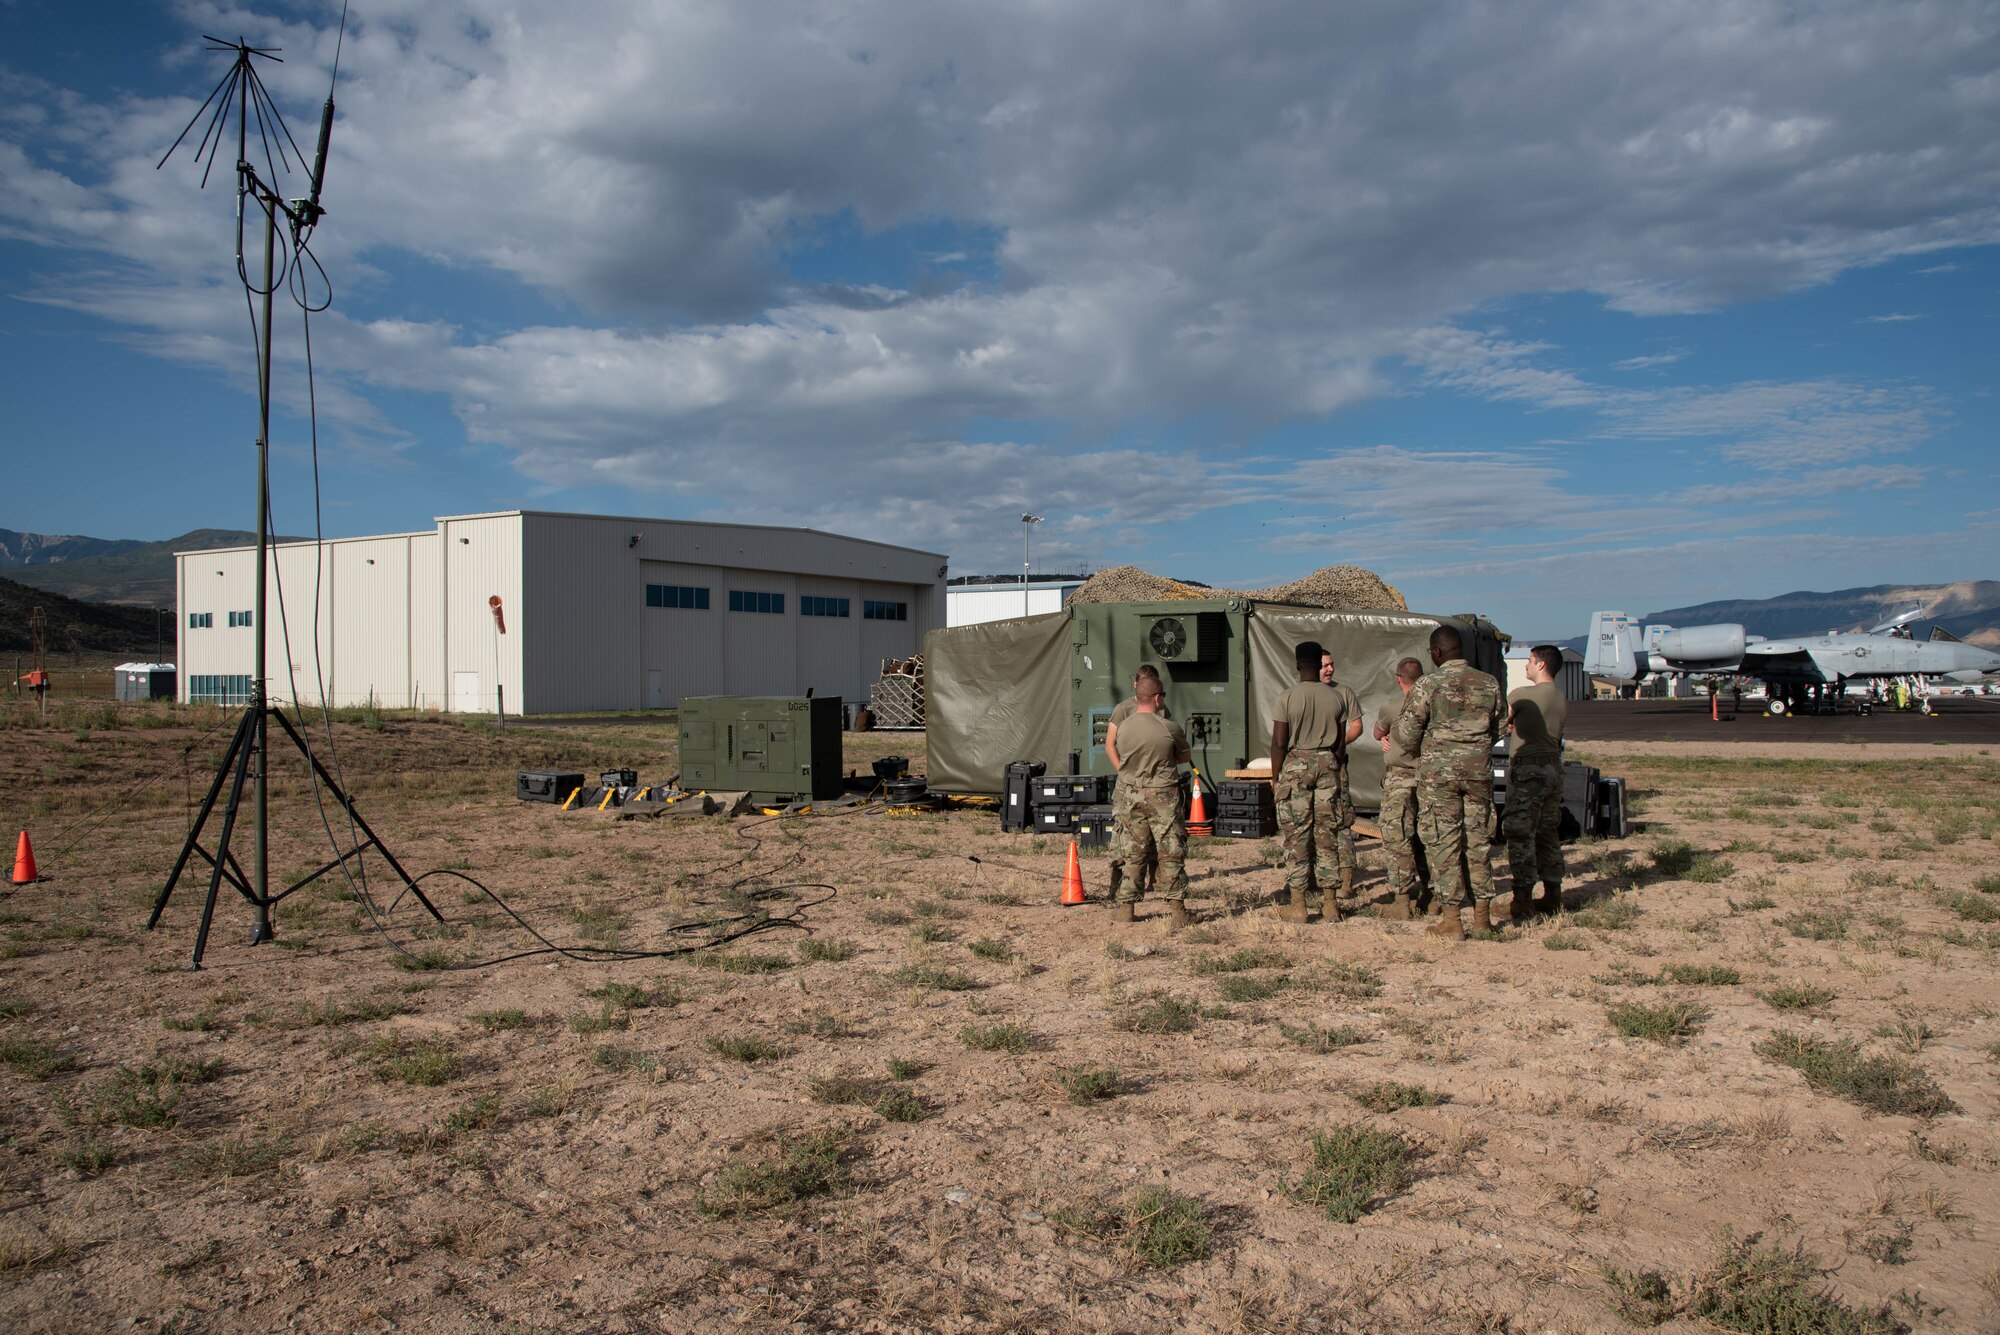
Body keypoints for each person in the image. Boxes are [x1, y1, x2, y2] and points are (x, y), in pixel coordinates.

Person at [1389, 624, 1503, 939]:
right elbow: (1501, 726)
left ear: (1436, 653)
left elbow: (1407, 735)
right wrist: (1473, 746)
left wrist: (1435, 748)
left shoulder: (1428, 685)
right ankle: (1482, 918)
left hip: (1439, 778)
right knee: (1478, 843)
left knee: (1445, 843)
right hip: (1478, 773)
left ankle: (1452, 920)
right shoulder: (1489, 683)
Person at [1270, 640, 1353, 923]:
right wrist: (1333, 764)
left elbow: (1279, 743)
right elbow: (1341, 743)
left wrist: (1275, 777)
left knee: (1297, 836)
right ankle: (1331, 904)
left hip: (1296, 766)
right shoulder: (1337, 698)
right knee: (1327, 835)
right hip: (1328, 765)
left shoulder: (1287, 698)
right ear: (1319, 664)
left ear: (1297, 666)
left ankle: (1299, 906)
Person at [1109, 676, 1192, 927]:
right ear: (1157, 698)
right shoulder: (1169, 727)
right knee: (1171, 851)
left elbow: (1120, 753)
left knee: (1133, 853)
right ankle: (1178, 912)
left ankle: (1126, 909)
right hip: (1163, 794)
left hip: (1131, 794)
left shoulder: (1123, 727)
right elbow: (1184, 755)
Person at [1503, 644, 1568, 921]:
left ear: (1541, 664)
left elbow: (1500, 723)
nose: (1525, 665)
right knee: (1547, 833)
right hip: (1554, 768)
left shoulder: (1521, 695)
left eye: (1529, 661)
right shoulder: (1561, 698)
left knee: (1520, 833)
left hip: (1529, 770)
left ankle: (1522, 900)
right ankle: (1553, 894)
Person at [1105, 665, 1171, 901]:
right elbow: (1110, 743)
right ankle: (1117, 884)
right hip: (1129, 785)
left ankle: (1157, 880)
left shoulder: (1161, 709)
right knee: (1124, 836)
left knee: (1156, 835)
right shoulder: (1123, 709)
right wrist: (1123, 772)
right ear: (1136, 685)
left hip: (1154, 785)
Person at [1371, 657, 1431, 919]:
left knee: (1398, 839)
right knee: (1427, 839)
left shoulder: (1392, 707)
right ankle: (1433, 894)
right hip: (1428, 780)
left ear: (1398, 679)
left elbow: (1376, 732)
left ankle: (1402, 900)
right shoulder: (1433, 707)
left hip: (1399, 780)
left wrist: (1386, 737)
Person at [1318, 651, 1367, 912]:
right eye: (1324, 665)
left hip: (1337, 765)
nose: (1330, 669)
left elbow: (1357, 726)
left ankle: (1346, 879)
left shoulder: (1344, 693)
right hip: (1311, 767)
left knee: (1342, 820)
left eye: (1332, 664)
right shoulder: (1305, 693)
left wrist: (1337, 744)